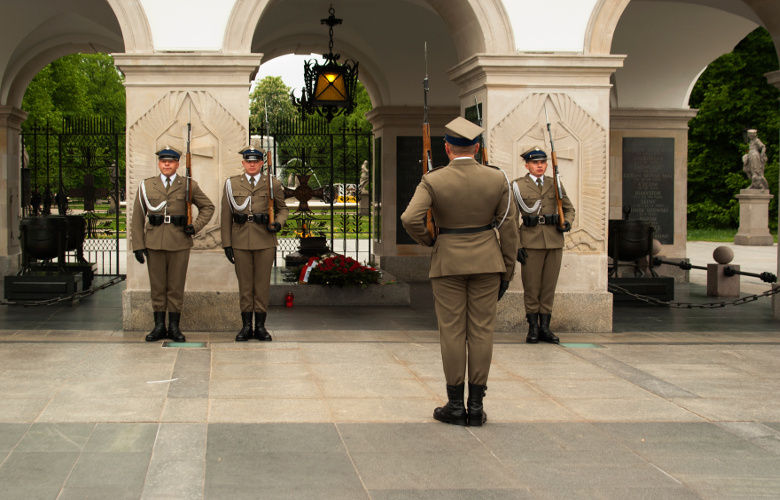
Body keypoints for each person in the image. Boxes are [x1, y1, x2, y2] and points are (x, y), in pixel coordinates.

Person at [401, 117, 518, 427]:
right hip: (488, 263)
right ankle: (476, 406)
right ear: (477, 148)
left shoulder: (433, 180)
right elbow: (509, 230)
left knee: (452, 331)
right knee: (481, 332)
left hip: (448, 261)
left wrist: (431, 240)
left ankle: (455, 405)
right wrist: (507, 271)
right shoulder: (497, 179)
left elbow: (409, 218)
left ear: (447, 148)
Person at [131, 146, 215, 343]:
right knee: (158, 286)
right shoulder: (147, 186)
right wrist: (138, 245)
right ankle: (159, 326)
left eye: (170, 161)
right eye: (163, 161)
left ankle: (175, 326)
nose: (166, 164)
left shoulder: (188, 185)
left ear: (178, 164)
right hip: (154, 242)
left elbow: (208, 207)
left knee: (175, 286)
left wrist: (194, 227)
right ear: (159, 163)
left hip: (179, 242)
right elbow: (137, 217)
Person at [221, 146, 288, 341]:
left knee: (261, 285)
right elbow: (226, 215)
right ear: (243, 163)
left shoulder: (272, 184)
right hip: (240, 240)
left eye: (255, 161)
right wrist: (227, 243)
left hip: (265, 239)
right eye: (248, 161)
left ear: (261, 163)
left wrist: (278, 223)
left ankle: (260, 327)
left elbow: (283, 209)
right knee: (245, 286)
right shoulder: (231, 184)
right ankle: (245, 327)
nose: (251, 164)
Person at [512, 147, 575, 344]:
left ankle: (545, 328)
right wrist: (517, 245)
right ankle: (532, 328)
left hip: (554, 240)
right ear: (527, 165)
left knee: (548, 286)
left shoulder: (554, 183)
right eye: (535, 163)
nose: (539, 166)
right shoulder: (517, 186)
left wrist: (567, 222)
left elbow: (568, 208)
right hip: (530, 241)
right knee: (531, 287)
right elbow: (511, 219)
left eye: (542, 162)